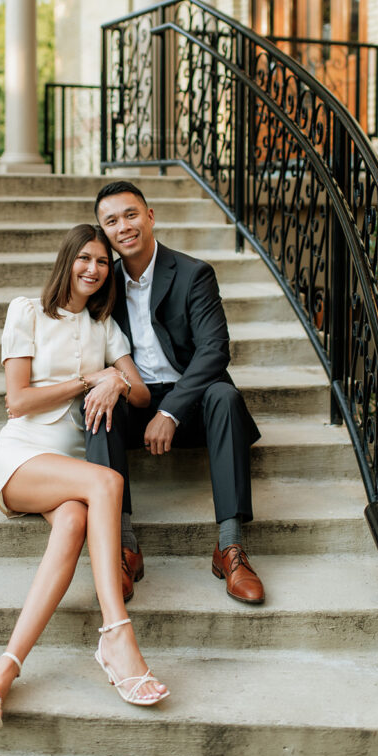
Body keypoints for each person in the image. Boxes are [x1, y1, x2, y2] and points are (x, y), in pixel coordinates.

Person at [0, 223, 169, 729]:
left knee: (73, 522)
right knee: (107, 482)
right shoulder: (26, 310)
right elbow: (18, 399)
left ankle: (0, 675)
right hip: (23, 456)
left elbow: (140, 397)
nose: (94, 269)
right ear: (67, 259)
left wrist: (117, 376)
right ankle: (117, 635)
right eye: (85, 258)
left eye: (102, 262)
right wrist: (89, 379)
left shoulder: (105, 327)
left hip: (68, 466)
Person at [88, 181, 265, 607]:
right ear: (104, 232)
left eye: (131, 214)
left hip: (193, 403)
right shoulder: (102, 282)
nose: (123, 226)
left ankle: (230, 548)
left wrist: (170, 412)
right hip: (136, 402)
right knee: (97, 405)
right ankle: (123, 546)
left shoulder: (192, 273)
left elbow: (214, 351)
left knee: (225, 396)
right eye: (111, 221)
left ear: (150, 217)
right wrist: (111, 379)